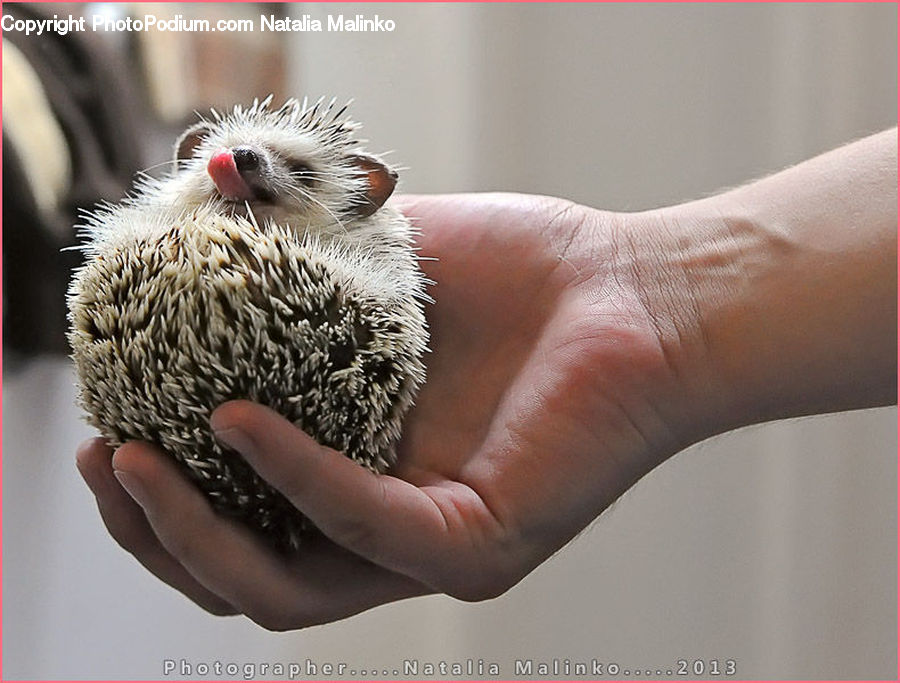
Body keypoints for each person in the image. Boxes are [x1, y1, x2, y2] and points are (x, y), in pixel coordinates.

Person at [76, 128, 897, 631]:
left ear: (366, 198)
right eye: (240, 151)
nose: (246, 163)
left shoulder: (364, 288)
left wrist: (650, 297)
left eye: (296, 169)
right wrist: (644, 293)